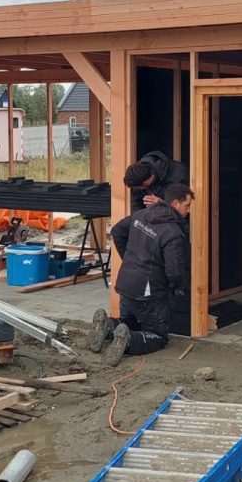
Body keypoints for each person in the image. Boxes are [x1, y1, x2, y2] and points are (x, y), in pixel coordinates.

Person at [87, 183, 194, 365]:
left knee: (129, 323)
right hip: (148, 292)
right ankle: (128, 341)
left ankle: (108, 326)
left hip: (126, 283)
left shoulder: (141, 215)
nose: (188, 211)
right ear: (175, 203)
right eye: (187, 206)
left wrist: (129, 259)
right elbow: (175, 271)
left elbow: (117, 231)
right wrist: (178, 286)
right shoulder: (172, 232)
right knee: (158, 336)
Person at [124, 150, 189, 212]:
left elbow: (186, 207)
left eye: (140, 188)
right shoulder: (137, 177)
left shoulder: (180, 173)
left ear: (146, 183)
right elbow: (136, 208)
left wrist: (163, 204)